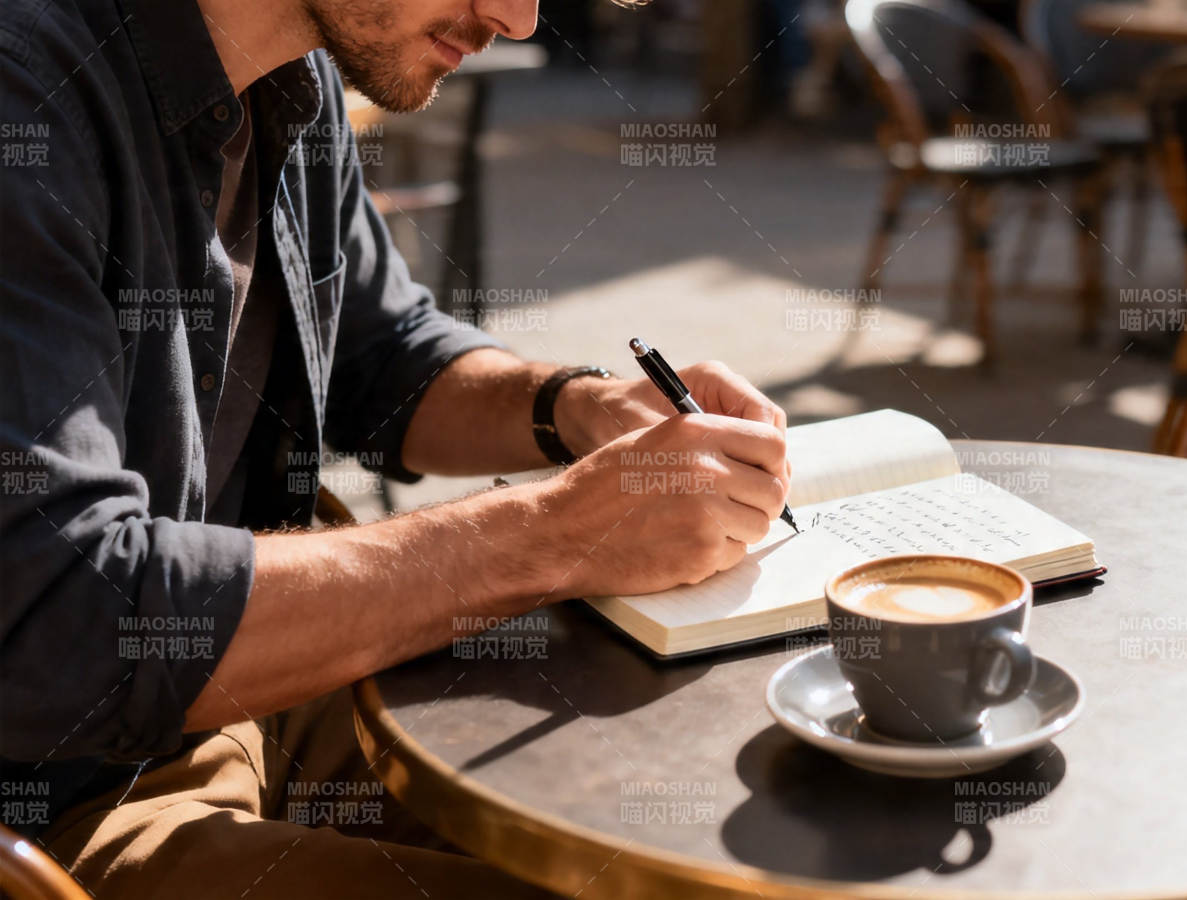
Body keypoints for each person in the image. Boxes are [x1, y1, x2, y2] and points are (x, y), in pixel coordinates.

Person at [0, 0, 789, 895]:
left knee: (688, 820)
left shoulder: (293, 81)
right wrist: (555, 534)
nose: (519, 17)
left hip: (267, 695)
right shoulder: (27, 90)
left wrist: (576, 406)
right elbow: (66, 620)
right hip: (61, 803)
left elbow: (384, 356)